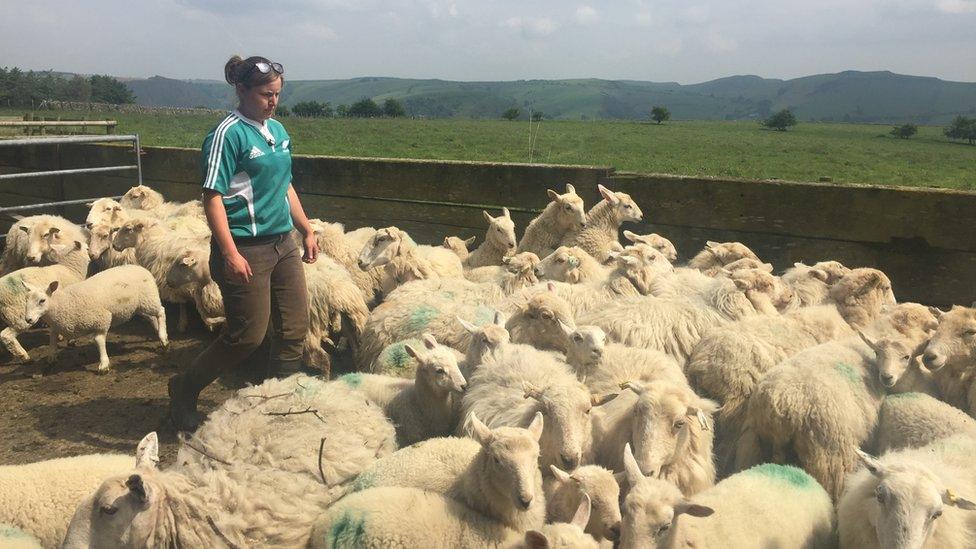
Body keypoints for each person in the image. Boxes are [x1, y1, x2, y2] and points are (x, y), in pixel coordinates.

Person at [168, 55, 319, 432]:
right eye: (266, 94)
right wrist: (231, 252)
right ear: (241, 90)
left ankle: (277, 405)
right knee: (246, 336)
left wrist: (306, 229)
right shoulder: (227, 134)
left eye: (278, 94)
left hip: (283, 243)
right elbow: (212, 196)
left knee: (294, 329)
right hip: (246, 248)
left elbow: (284, 185)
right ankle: (184, 391)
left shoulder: (278, 131)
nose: (273, 102)